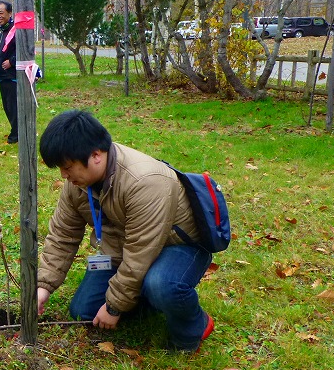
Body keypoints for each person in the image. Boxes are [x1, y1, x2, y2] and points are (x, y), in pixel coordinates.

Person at [37, 110, 215, 352]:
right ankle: (143, 296)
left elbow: (141, 252)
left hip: (177, 245)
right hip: (124, 247)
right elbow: (62, 236)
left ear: (96, 155)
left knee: (161, 284)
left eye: (68, 167)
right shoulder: (77, 184)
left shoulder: (145, 182)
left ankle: (193, 326)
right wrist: (43, 286)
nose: (63, 176)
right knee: (83, 311)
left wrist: (114, 307)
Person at [0, 0, 17, 144]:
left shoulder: (15, 29)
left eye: (1, 13)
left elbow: (25, 49)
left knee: (12, 106)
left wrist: (12, 61)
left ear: (9, 13)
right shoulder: (4, 30)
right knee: (8, 106)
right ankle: (15, 131)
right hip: (3, 76)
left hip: (11, 76)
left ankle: (17, 134)